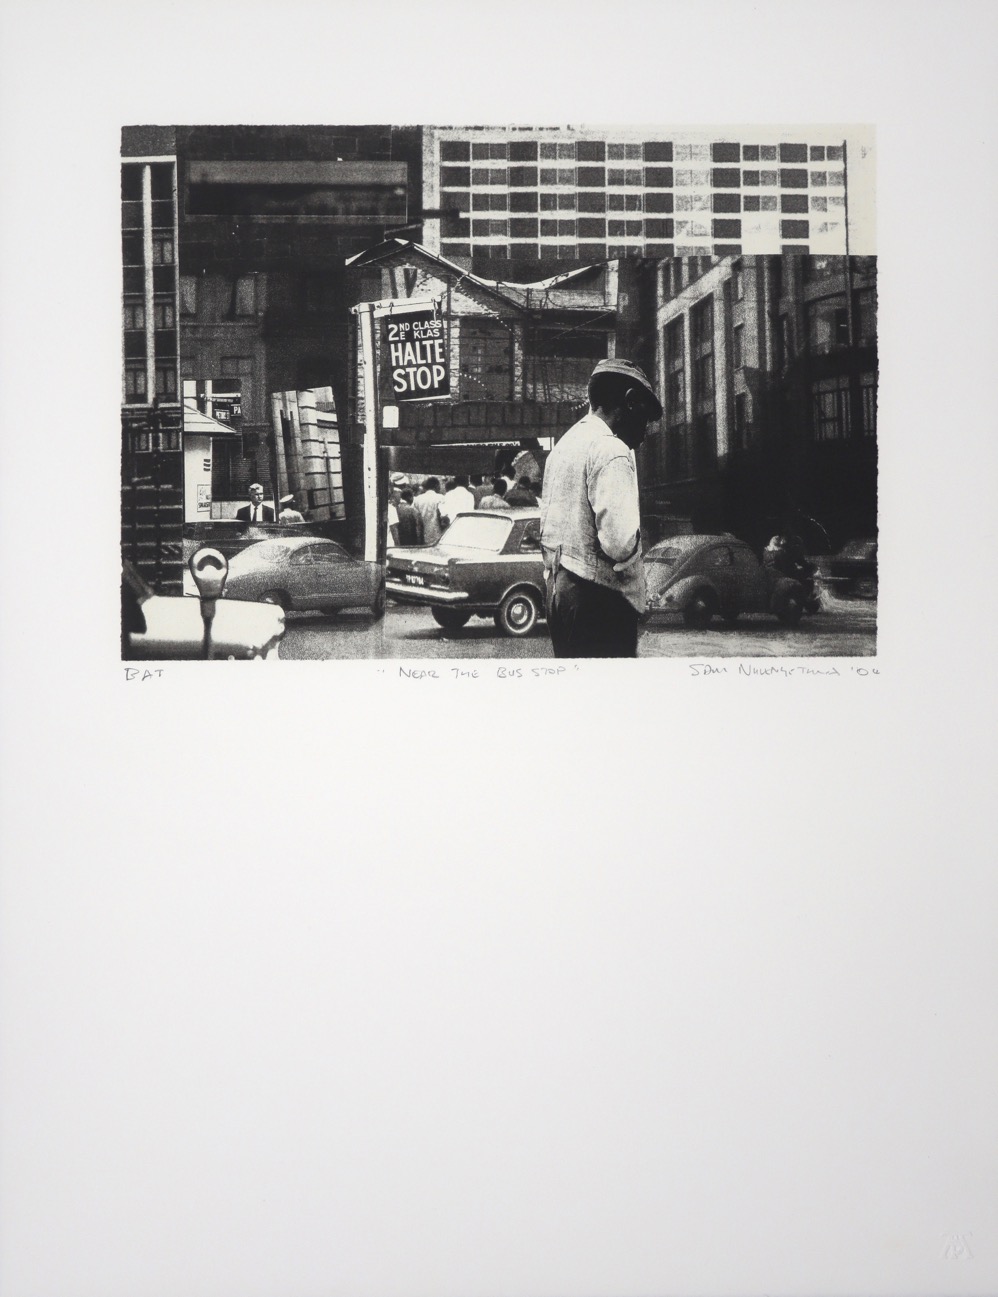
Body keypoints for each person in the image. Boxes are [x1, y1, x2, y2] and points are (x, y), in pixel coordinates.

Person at [540, 358, 662, 658]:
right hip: (600, 603)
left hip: (560, 596)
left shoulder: (564, 446)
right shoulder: (611, 448)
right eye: (646, 416)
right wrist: (638, 593)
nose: (646, 430)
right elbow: (620, 544)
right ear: (631, 402)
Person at [413, 476, 445, 546]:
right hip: (438, 536)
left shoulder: (417, 499)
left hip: (422, 536)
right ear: (436, 486)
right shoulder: (441, 498)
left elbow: (416, 519)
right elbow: (443, 517)